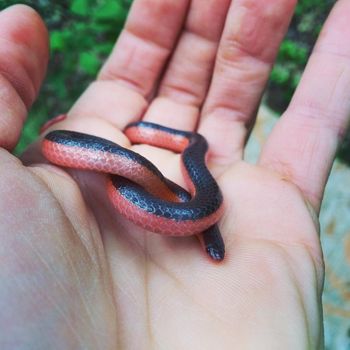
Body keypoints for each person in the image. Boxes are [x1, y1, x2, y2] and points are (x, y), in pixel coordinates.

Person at [0, 0, 347, 348]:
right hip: (89, 151)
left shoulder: (199, 202)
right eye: (212, 248)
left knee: (172, 166)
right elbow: (118, 163)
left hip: (166, 190)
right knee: (140, 168)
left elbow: (188, 196)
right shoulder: (182, 198)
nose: (215, 254)